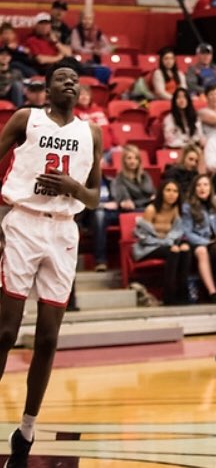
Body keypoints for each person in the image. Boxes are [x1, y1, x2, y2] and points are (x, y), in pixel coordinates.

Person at [0, 60, 102, 466]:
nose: (71, 83)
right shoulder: (27, 119)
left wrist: (74, 187)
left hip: (63, 231)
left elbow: (94, 199)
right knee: (5, 330)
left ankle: (27, 427)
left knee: (47, 339)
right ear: (46, 86)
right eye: (63, 78)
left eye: (76, 79)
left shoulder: (90, 131)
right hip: (23, 223)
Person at [132, 179, 191, 305]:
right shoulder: (151, 209)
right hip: (148, 246)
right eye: (168, 190)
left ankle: (183, 294)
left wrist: (169, 241)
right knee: (174, 250)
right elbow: (143, 236)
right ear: (161, 192)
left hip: (167, 243)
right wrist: (167, 242)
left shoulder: (175, 210)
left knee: (185, 248)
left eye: (175, 191)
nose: (172, 194)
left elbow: (177, 232)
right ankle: (168, 296)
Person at [181, 173, 216, 303]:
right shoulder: (188, 207)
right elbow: (187, 233)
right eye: (198, 185)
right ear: (194, 189)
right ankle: (213, 292)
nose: (202, 188)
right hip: (199, 242)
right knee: (202, 251)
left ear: (210, 187)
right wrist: (207, 242)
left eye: (205, 184)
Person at [110, 144, 155, 211]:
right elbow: (127, 203)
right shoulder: (119, 178)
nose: (133, 161)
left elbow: (153, 193)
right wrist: (147, 201)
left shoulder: (145, 175)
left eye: (136, 158)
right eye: (129, 158)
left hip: (149, 208)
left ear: (139, 161)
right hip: (132, 210)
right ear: (124, 161)